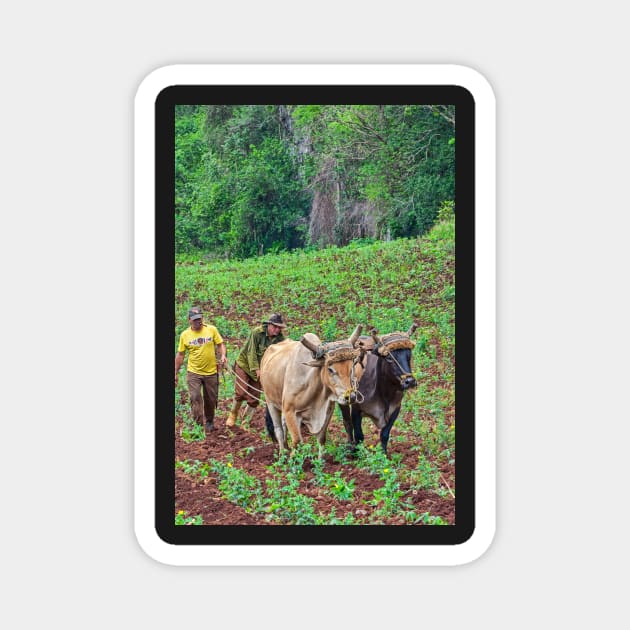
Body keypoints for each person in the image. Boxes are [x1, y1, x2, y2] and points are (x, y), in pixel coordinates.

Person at [226, 313, 287, 427]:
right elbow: (251, 352)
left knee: (254, 399)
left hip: (262, 370)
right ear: (269, 324)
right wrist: (256, 369)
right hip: (244, 365)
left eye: (279, 327)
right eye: (275, 326)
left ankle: (245, 423)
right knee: (241, 392)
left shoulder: (280, 339)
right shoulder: (257, 333)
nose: (277, 330)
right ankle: (233, 414)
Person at [175, 306, 227, 434]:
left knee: (211, 398)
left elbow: (220, 344)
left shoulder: (211, 330)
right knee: (195, 396)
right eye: (194, 320)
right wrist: (175, 372)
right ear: (189, 320)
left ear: (202, 318)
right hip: (194, 372)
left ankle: (209, 421)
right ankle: (198, 425)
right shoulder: (185, 335)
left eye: (199, 319)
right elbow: (180, 354)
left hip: (211, 372)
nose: (198, 322)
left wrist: (223, 355)